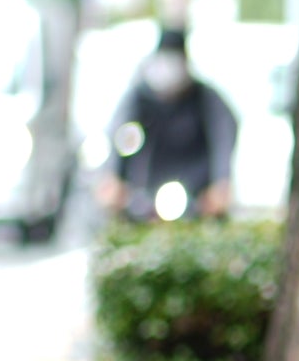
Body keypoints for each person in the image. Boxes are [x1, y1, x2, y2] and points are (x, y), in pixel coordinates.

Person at [100, 27, 238, 222]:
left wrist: (221, 183)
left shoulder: (204, 99)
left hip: (194, 197)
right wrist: (112, 175)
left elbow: (223, 135)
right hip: (142, 195)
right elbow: (120, 133)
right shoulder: (139, 99)